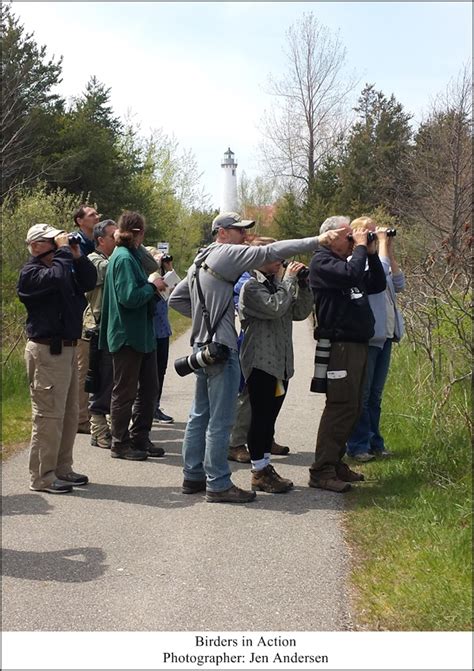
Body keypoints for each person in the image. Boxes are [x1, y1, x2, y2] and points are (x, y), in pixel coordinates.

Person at [168, 211, 338, 504]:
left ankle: (192, 475)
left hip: (203, 348)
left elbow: (177, 298)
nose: (245, 237)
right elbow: (270, 251)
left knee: (200, 416)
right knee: (221, 421)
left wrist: (204, 321)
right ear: (221, 232)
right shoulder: (225, 253)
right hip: (221, 350)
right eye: (239, 230)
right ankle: (219, 484)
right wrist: (318, 240)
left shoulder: (201, 260)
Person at [307, 215, 386, 493]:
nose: (353, 238)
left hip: (357, 344)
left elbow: (377, 284)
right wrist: (361, 247)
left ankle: (335, 462)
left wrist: (372, 254)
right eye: (348, 235)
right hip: (340, 346)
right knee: (340, 406)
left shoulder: (343, 263)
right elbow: (353, 275)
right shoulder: (322, 262)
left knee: (353, 407)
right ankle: (321, 470)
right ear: (330, 236)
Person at [17, 223, 97, 493]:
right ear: (37, 245)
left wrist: (76, 254)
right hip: (46, 352)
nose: (58, 246)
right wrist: (63, 252)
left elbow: (87, 280)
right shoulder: (32, 273)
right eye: (53, 242)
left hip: (68, 349)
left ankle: (62, 467)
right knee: (48, 417)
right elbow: (58, 279)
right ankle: (42, 476)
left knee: (69, 414)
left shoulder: (61, 266)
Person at [238, 247, 313, 493]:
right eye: (275, 256)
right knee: (260, 418)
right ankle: (258, 471)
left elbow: (300, 313)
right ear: (259, 259)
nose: (281, 260)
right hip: (260, 363)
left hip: (280, 364)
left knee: (269, 419)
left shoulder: (277, 284)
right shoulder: (251, 287)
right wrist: (289, 280)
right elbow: (275, 308)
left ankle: (265, 467)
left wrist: (303, 285)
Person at [99, 211, 168, 460]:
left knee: (149, 389)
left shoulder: (131, 253)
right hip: (127, 335)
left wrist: (133, 241)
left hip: (143, 335)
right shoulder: (124, 258)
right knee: (125, 392)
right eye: (142, 233)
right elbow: (129, 297)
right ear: (139, 233)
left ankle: (140, 437)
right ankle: (119, 443)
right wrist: (152, 287)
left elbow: (151, 265)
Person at [346, 217, 405, 461]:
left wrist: (388, 247)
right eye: (368, 232)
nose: (375, 235)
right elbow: (377, 279)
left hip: (387, 335)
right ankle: (358, 445)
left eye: (375, 232)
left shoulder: (379, 258)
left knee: (376, 396)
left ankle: (375, 441)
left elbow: (399, 283)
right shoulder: (355, 263)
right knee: (364, 394)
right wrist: (377, 246)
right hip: (369, 337)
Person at [83, 219, 118, 449]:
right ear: (101, 240)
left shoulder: (112, 259)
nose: (119, 240)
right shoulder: (94, 261)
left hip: (111, 328)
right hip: (97, 328)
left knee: (112, 379)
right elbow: (110, 271)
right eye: (115, 236)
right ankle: (98, 430)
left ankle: (106, 428)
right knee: (101, 381)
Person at [73, 204, 100, 434]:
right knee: (83, 366)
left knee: (93, 365)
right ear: (80, 221)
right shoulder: (77, 244)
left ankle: (90, 413)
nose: (96, 217)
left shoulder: (95, 242)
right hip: (83, 313)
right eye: (92, 215)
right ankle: (81, 418)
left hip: (95, 311)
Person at [145, 247, 175, 424]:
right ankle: (148, 407)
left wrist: (169, 267)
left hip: (163, 330)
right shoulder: (149, 278)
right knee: (151, 372)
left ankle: (155, 405)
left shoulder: (162, 277)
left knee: (160, 371)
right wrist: (155, 265)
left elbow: (176, 287)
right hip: (152, 331)